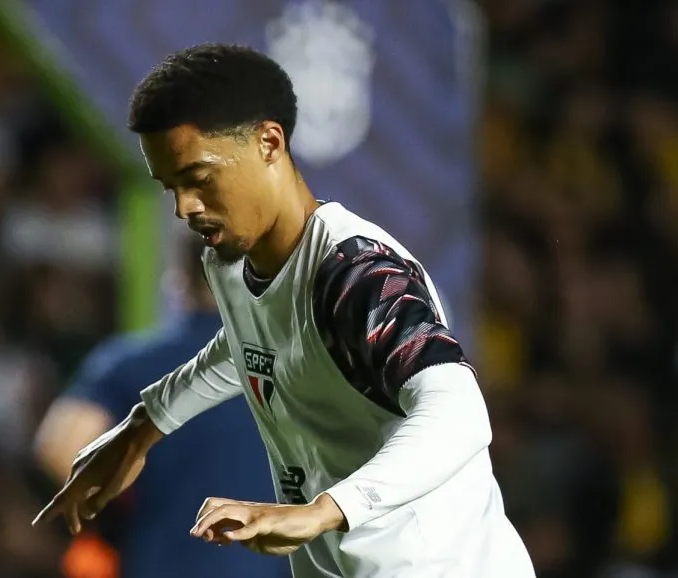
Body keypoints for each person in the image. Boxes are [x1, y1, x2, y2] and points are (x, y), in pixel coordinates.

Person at [33, 43, 535, 578]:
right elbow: (249, 344)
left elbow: (458, 412)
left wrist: (321, 511)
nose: (184, 207)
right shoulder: (234, 264)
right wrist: (143, 427)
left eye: (198, 178)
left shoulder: (358, 274)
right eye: (172, 187)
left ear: (269, 143)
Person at [33, 238, 290, 578]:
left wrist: (121, 508)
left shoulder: (133, 364)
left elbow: (60, 448)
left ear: (179, 279)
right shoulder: (301, 369)